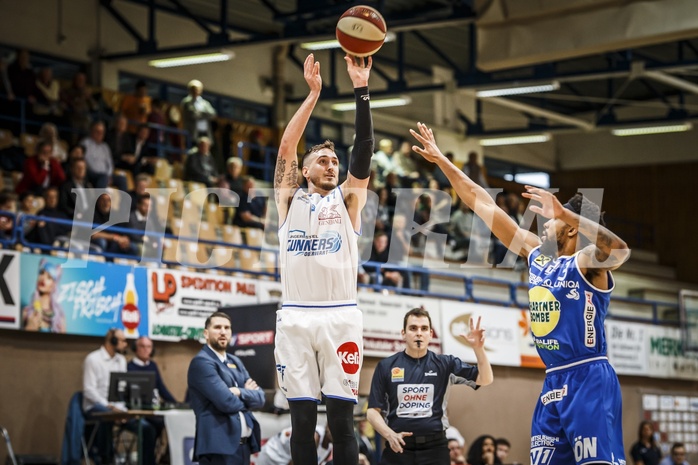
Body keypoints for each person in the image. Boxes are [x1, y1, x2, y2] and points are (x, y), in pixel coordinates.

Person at [410, 122, 631, 465]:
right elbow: (480, 201)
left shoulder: (587, 263)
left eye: (551, 218)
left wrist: (564, 211)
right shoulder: (535, 254)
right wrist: (441, 160)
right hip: (553, 380)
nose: (542, 222)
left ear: (571, 226)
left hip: (588, 378)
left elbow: (620, 250)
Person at [273, 53, 375, 465]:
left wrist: (360, 88)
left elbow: (363, 149)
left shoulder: (349, 200)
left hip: (340, 315)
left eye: (335, 160)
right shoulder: (287, 200)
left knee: (341, 422)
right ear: (305, 171)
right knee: (301, 424)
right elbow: (285, 145)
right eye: (323, 160)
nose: (332, 164)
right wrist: (313, 94)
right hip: (295, 316)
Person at [366, 308, 492, 465]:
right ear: (403, 333)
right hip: (398, 447)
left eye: (424, 329)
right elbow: (372, 412)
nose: (419, 333)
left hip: (435, 449)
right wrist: (390, 435)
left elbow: (485, 379)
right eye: (413, 328)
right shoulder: (386, 366)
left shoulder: (445, 364)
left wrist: (479, 349)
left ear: (431, 334)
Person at [187, 312, 264, 465]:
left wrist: (239, 391)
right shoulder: (202, 362)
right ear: (206, 334)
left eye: (227, 328)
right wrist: (248, 397)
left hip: (243, 447)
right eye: (217, 327)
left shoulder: (235, 361)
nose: (223, 331)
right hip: (218, 448)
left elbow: (261, 398)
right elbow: (226, 402)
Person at [83, 328, 158, 465]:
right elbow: (89, 390)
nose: (126, 344)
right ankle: (105, 460)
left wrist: (122, 411)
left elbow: (122, 391)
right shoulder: (93, 359)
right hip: (96, 408)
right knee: (107, 418)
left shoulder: (121, 360)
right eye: (123, 340)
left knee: (147, 429)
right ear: (112, 341)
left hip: (117, 409)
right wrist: (110, 408)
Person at [21, 259, 65, 332]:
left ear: (54, 285)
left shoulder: (59, 316)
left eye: (49, 277)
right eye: (41, 273)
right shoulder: (27, 312)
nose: (43, 278)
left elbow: (64, 342)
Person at [256, 425, 333, 465]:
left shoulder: (329, 449)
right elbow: (296, 462)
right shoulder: (314, 436)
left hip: (285, 460)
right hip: (270, 456)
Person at [180, 79, 217, 145]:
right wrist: (204, 114)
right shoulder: (186, 102)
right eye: (193, 89)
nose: (195, 91)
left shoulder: (205, 103)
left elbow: (212, 114)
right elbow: (192, 114)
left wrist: (199, 113)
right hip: (193, 133)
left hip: (204, 131)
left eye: (197, 89)